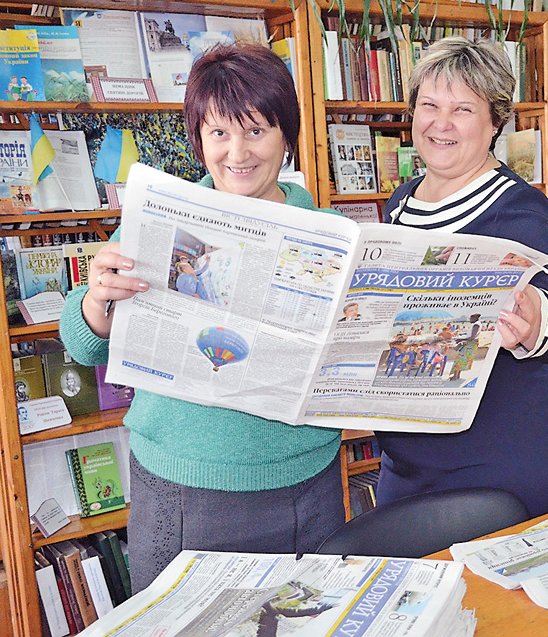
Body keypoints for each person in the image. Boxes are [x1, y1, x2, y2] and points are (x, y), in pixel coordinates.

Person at [59, 43, 344, 593]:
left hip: (308, 488)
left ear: (286, 134)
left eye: (257, 130)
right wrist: (96, 302)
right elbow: (86, 344)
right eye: (219, 133)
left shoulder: (329, 231)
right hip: (182, 486)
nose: (238, 152)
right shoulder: (166, 216)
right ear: (199, 137)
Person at [377, 37, 548, 518]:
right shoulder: (401, 203)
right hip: (411, 462)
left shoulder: (519, 209)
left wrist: (537, 319)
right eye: (429, 105)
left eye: (463, 109)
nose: (441, 123)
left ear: (495, 122)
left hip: (504, 455)